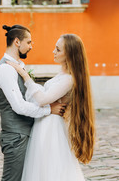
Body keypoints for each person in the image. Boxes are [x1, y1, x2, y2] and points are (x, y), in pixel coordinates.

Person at [7, 33, 95, 181]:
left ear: (69, 55)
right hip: (45, 123)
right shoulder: (62, 74)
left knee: (51, 168)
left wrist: (25, 76)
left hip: (51, 127)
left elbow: (43, 100)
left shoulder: (69, 79)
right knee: (42, 168)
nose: (54, 52)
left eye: (58, 49)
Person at [0, 24, 66, 181]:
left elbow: (29, 97)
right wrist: (49, 110)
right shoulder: (6, 70)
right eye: (29, 42)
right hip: (15, 137)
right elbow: (19, 106)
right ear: (17, 42)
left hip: (23, 134)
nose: (31, 46)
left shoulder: (18, 67)